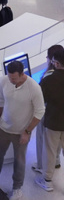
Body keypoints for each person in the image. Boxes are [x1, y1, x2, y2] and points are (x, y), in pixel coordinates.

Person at [0, 60, 46, 200]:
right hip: (3, 128)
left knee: (19, 161)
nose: (11, 80)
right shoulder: (3, 81)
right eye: (9, 77)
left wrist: (27, 132)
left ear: (22, 74)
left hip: (22, 132)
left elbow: (40, 111)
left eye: (14, 78)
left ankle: (17, 189)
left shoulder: (33, 88)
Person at [37, 49, 64, 192]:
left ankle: (47, 180)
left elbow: (41, 100)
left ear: (57, 63)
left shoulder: (49, 79)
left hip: (52, 121)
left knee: (50, 151)